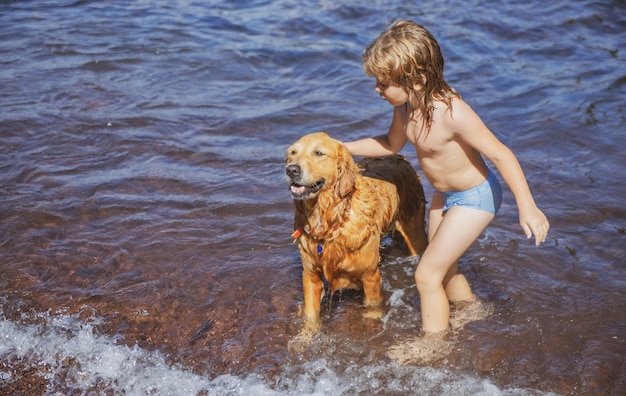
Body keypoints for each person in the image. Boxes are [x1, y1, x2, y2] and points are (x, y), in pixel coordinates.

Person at [343, 20, 550, 335]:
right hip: (444, 196)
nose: (377, 89)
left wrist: (528, 207)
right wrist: (340, 147)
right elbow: (391, 144)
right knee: (444, 266)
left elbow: (501, 154)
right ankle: (473, 312)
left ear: (416, 80)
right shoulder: (406, 106)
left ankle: (434, 346)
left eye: (383, 83)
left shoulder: (453, 112)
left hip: (476, 197)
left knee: (426, 275)